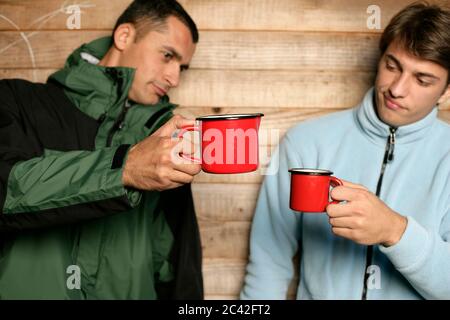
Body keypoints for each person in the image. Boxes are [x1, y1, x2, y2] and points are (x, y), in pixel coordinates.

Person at [241, 2, 450, 300]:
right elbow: (267, 264)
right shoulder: (305, 142)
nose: (397, 89)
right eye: (392, 66)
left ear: (446, 90)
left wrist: (396, 231)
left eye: (422, 79)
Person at [0, 0, 204, 299]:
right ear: (124, 36)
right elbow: (7, 190)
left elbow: (176, 268)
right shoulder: (18, 101)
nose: (174, 77)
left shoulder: (162, 143)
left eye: (182, 67)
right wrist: (126, 168)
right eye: (167, 55)